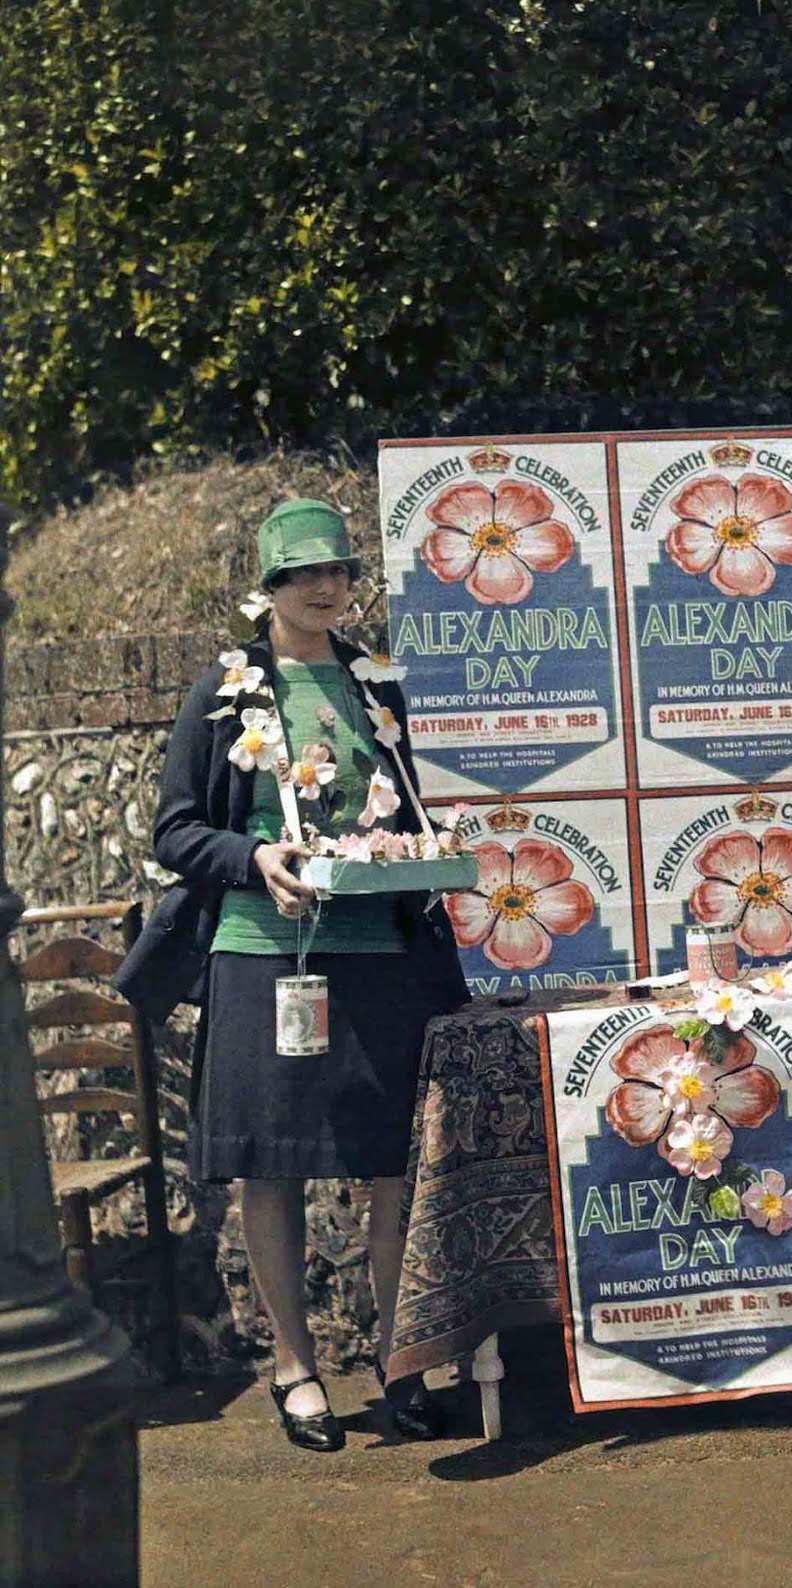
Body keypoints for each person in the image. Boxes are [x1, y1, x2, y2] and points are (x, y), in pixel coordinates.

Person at [119, 498, 467, 1450]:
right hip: (259, 953)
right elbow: (176, 830)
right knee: (269, 1165)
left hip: (380, 957)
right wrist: (254, 859)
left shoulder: (374, 685)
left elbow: (402, 812)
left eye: (338, 573)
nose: (325, 588)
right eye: (302, 574)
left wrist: (420, 855)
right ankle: (294, 1365)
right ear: (267, 590)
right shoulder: (225, 691)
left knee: (390, 1162)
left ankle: (400, 1362)